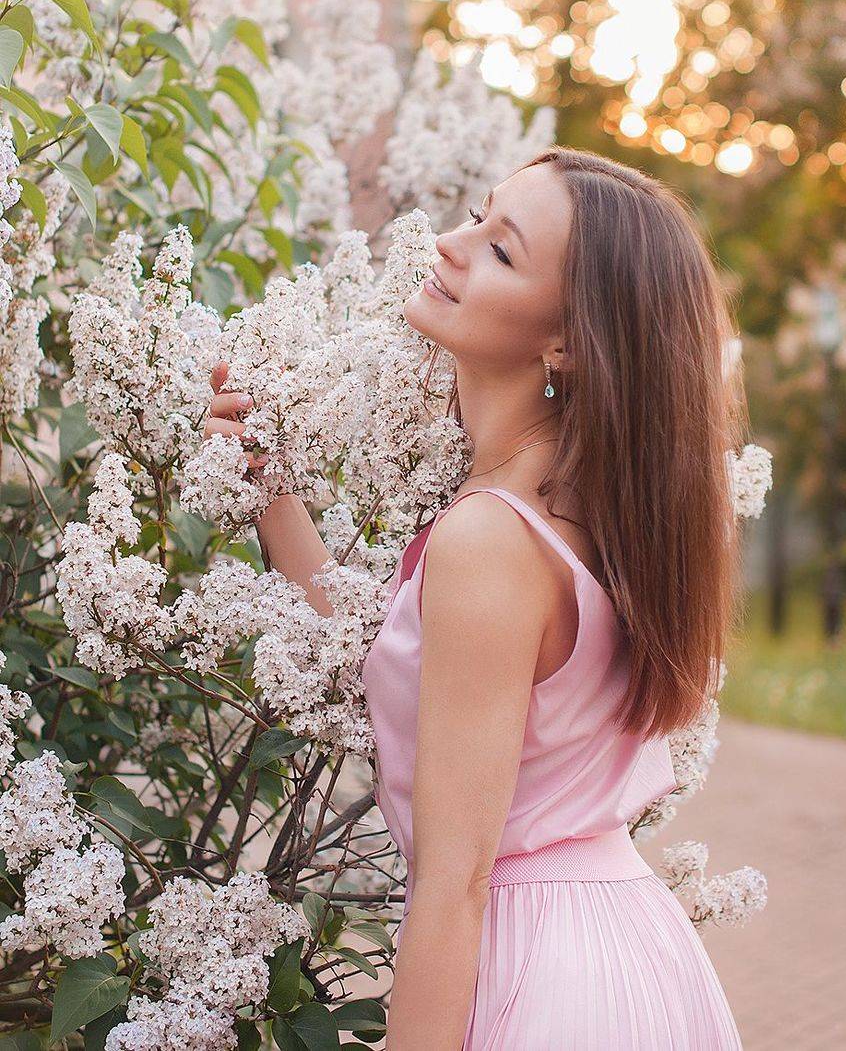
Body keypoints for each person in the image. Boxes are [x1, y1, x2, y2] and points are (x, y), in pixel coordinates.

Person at [205, 145, 747, 1049]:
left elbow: (454, 881)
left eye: (501, 250)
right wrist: (270, 488)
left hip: (532, 961)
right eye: (476, 214)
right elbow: (406, 669)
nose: (452, 245)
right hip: (623, 946)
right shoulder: (570, 509)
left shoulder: (493, 537)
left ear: (567, 341)